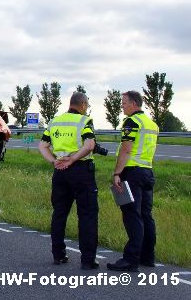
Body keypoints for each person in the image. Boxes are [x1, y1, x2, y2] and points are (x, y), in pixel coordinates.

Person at [38, 92, 99, 270]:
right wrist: (72, 159)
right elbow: (89, 145)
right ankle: (88, 260)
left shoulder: (55, 121)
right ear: (83, 104)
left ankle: (58, 254)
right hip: (81, 171)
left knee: (59, 213)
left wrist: (54, 161)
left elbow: (42, 145)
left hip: (59, 171)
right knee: (87, 214)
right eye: (86, 105)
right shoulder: (84, 121)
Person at [107, 91, 159, 272]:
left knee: (132, 214)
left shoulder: (131, 122)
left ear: (134, 103)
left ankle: (130, 259)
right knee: (146, 215)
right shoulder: (152, 124)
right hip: (147, 171)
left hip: (132, 172)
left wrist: (117, 173)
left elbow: (126, 149)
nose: (122, 106)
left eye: (124, 102)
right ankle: (148, 257)